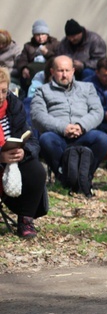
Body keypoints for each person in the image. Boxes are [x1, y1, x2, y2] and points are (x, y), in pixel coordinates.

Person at [30, 55, 107, 181]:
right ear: (52, 71)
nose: (64, 75)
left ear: (73, 71)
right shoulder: (42, 91)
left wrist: (80, 126)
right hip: (57, 135)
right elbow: (38, 116)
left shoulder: (87, 88)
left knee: (102, 139)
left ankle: (85, 175)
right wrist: (63, 128)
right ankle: (64, 176)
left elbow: (97, 111)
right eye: (60, 71)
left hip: (83, 133)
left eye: (67, 70)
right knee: (46, 139)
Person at [0, 67, 48, 239]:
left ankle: (26, 220)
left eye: (4, 91)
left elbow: (32, 139)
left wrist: (24, 151)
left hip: (13, 160)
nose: (0, 96)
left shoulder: (14, 107)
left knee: (36, 170)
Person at [13, 20, 59, 97]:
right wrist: (23, 68)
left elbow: (59, 60)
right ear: (34, 35)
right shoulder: (28, 46)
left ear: (47, 34)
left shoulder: (55, 44)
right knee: (23, 78)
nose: (40, 37)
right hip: (31, 71)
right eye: (37, 35)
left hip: (48, 70)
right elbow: (22, 59)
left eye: (43, 34)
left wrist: (47, 53)